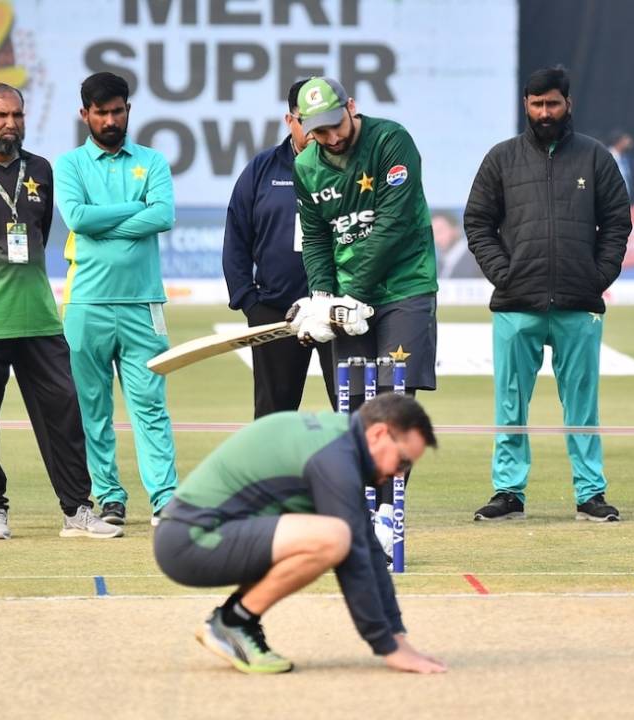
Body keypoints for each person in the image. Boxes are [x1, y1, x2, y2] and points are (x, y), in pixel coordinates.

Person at [0, 82, 121, 540]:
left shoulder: (41, 170)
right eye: (0, 116)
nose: (10, 124)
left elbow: (40, 230)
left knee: (65, 414)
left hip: (38, 319)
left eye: (17, 116)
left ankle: (76, 510)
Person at [154, 394, 446, 675]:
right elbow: (355, 558)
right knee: (333, 537)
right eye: (403, 462)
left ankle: (233, 620)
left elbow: (369, 546)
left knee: (339, 535)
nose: (399, 474)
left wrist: (397, 636)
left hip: (198, 534)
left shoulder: (339, 441)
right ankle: (233, 622)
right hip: (190, 540)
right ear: (379, 434)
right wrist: (388, 647)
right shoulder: (335, 458)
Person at [463, 65, 631, 522]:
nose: (544, 112)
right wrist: (504, 273)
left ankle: (590, 493)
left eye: (552, 103)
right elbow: (477, 222)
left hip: (579, 304)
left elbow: (618, 222)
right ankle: (509, 493)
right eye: (536, 104)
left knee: (582, 403)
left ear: (567, 104)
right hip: (517, 304)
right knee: (510, 402)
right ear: (526, 106)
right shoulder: (501, 158)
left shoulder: (596, 158)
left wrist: (597, 276)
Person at [292, 75, 440, 538]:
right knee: (353, 405)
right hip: (346, 296)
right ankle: (360, 507)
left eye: (337, 124)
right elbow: (315, 237)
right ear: (302, 127)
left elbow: (394, 223)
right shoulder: (307, 166)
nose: (332, 137)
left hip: (404, 288)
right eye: (319, 131)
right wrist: (321, 298)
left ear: (351, 107)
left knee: (393, 404)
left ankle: (387, 514)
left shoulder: (391, 141)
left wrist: (352, 293)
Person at [54, 72, 177, 528]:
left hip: (144, 304)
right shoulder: (69, 165)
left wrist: (113, 220)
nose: (111, 119)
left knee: (150, 406)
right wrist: (135, 209)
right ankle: (109, 496)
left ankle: (165, 498)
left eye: (118, 110)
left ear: (128, 110)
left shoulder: (152, 161)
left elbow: (163, 215)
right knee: (93, 407)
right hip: (86, 304)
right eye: (101, 112)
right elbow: (79, 219)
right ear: (85, 114)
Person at [222, 80, 337, 418]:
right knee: (273, 416)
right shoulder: (262, 169)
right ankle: (270, 473)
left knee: (353, 408)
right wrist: (249, 302)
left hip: (337, 309)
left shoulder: (350, 168)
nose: (318, 131)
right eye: (307, 121)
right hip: (276, 312)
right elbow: (236, 237)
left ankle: (358, 473)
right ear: (290, 121)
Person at [431, 210, 482, 279]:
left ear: (456, 230)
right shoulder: (440, 264)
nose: (436, 237)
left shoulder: (477, 259)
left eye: (440, 231)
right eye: (433, 233)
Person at [604, 129, 634, 195]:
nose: (630, 141)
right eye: (626, 138)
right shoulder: (606, 156)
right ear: (618, 141)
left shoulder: (626, 158)